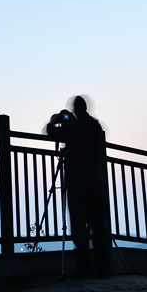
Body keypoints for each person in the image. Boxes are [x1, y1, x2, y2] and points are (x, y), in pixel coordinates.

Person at [46, 96, 113, 278]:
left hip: (77, 180)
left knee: (79, 226)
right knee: (98, 225)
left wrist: (53, 122)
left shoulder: (75, 127)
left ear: (75, 109)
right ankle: (104, 269)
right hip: (96, 180)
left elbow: (53, 132)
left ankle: (86, 269)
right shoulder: (95, 126)